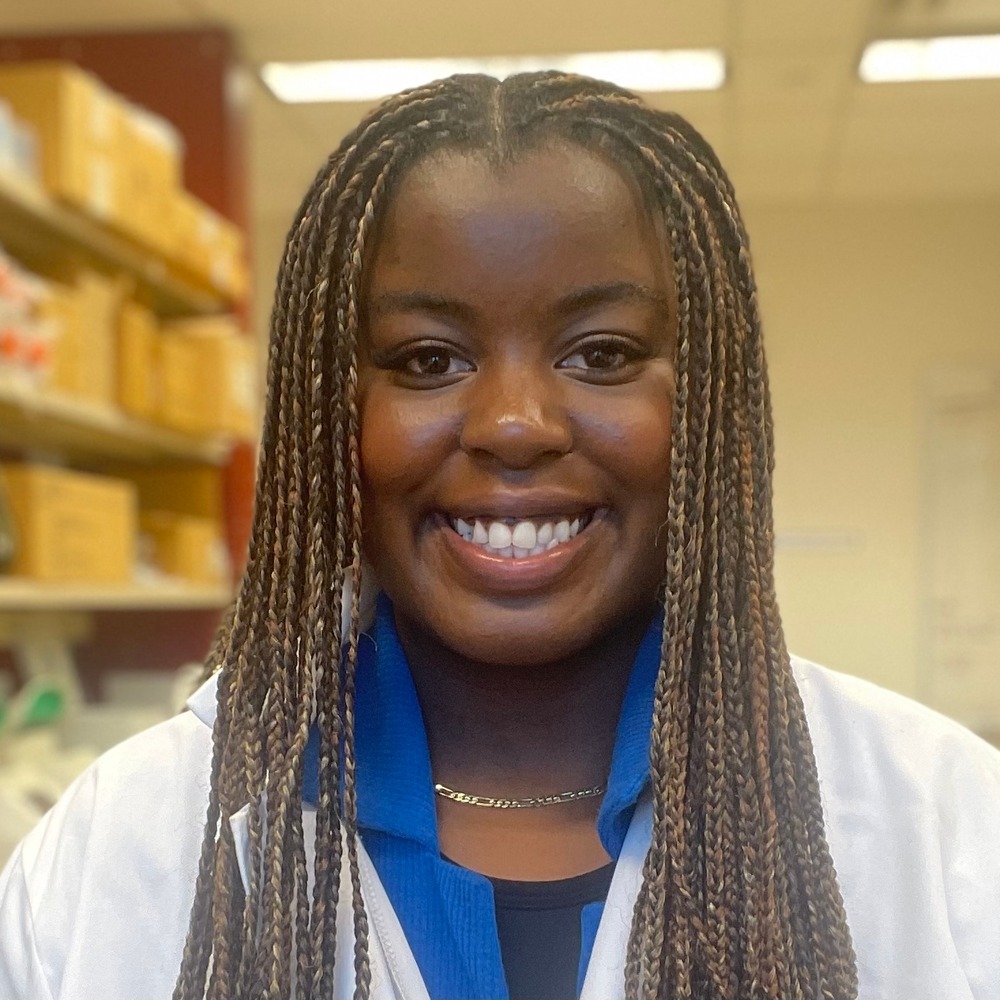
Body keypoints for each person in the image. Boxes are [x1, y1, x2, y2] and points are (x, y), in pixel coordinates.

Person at [1, 71, 999, 1000]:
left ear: (710, 401)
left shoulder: (941, 827)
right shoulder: (126, 846)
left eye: (601, 353)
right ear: (327, 413)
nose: (515, 424)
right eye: (427, 360)